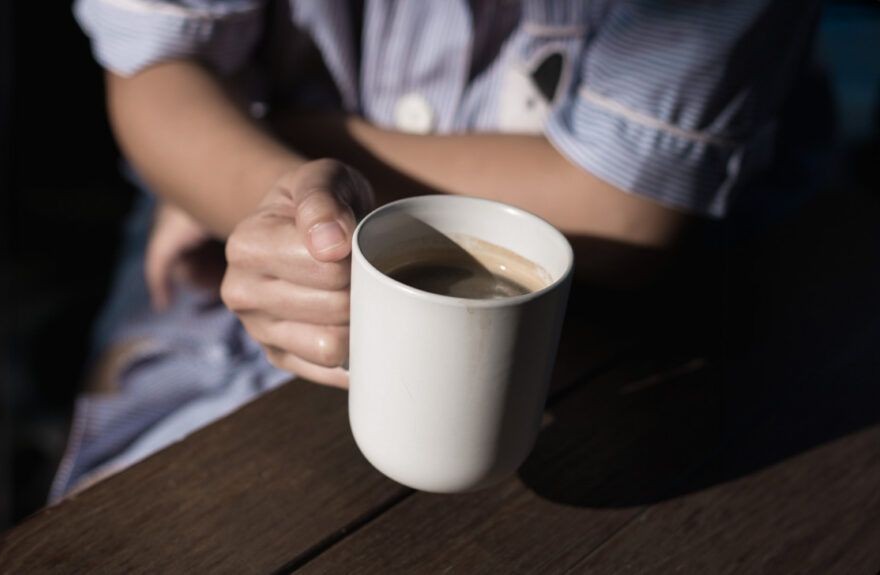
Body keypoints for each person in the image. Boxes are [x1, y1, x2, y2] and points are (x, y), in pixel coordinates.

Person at [50, 0, 821, 499]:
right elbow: (155, 71)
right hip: (233, 300)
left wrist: (249, 151)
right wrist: (262, 193)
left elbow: (621, 216)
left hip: (656, 334)